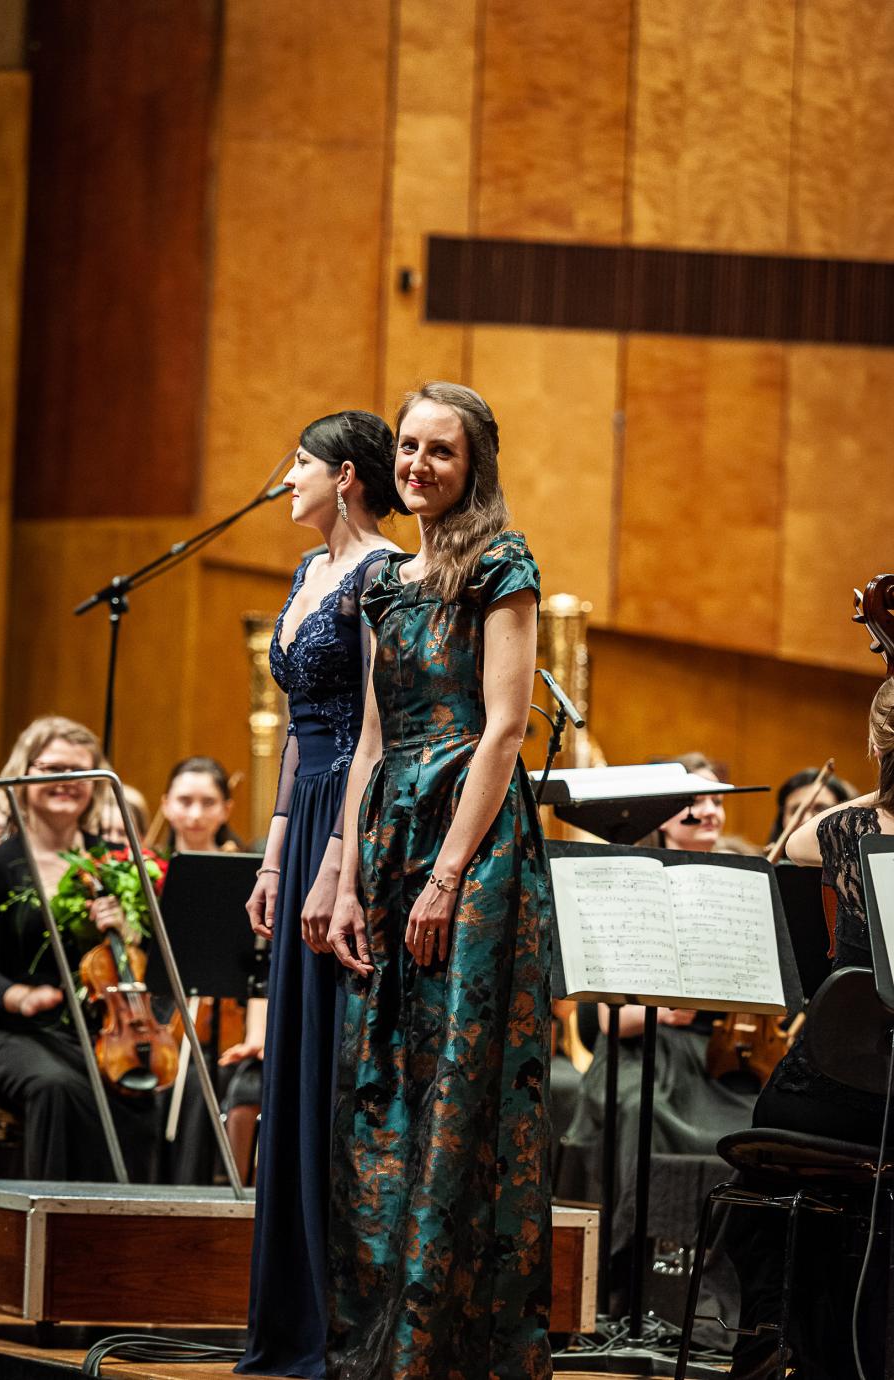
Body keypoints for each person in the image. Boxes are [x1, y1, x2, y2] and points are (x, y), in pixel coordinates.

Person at [325, 382, 553, 1380]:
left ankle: (449, 1343)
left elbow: (504, 727)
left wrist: (446, 875)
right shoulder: (382, 584)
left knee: (461, 1082)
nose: (416, 465)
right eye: (408, 448)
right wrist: (341, 878)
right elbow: (371, 742)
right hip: (389, 840)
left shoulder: (500, 562)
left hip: (472, 846)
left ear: (473, 468)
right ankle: (381, 1335)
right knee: (383, 1087)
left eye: (439, 453)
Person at [236, 409, 404, 1378]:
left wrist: (338, 856)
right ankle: (288, 1324)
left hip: (356, 824)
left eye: (297, 463)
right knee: (294, 1064)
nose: (284, 478)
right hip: (302, 823)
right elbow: (299, 729)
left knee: (338, 1072)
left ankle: (342, 1329)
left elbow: (372, 727)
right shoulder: (306, 576)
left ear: (344, 475)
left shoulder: (381, 575)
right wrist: (271, 856)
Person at [726, 680, 894, 1380]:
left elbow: (792, 844)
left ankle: (775, 1332)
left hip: (819, 1087)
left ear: (876, 742)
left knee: (764, 1172)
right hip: (886, 1108)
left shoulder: (843, 831)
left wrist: (879, 795)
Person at [557, 755, 758, 1304]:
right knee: (634, 1112)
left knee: (756, 1123)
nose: (713, 811)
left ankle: (722, 1286)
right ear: (667, 815)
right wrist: (663, 1009)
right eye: (699, 801)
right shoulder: (630, 884)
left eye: (720, 800)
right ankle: (630, 1280)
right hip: (644, 1054)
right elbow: (601, 1022)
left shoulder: (745, 883)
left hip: (711, 1064)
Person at [0, 716, 160, 1180]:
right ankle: (55, 1226)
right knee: (56, 1086)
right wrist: (17, 996)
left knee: (134, 1088)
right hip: (3, 1028)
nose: (66, 781)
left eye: (79, 771)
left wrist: (127, 929)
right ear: (25, 773)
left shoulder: (109, 860)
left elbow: (149, 955)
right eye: (52, 768)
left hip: (94, 1029)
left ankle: (124, 1229)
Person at [155, 757, 251, 1185]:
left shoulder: (246, 874)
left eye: (208, 802)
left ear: (226, 809)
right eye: (185, 801)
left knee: (201, 1082)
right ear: (166, 805)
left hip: (221, 1018)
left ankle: (187, 1196)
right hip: (154, 1015)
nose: (195, 814)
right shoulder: (145, 870)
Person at [765, 765, 854, 849]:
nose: (806, 820)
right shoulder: (768, 864)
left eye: (820, 809)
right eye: (796, 811)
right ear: (782, 819)